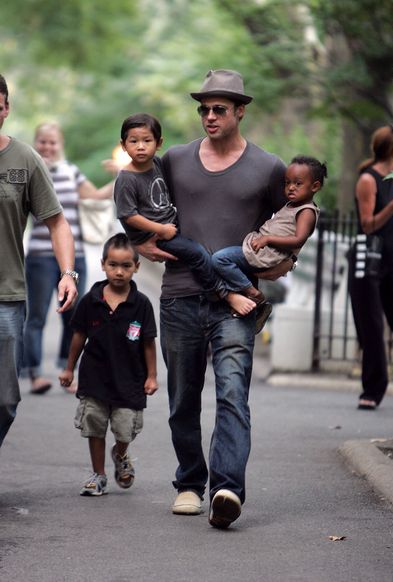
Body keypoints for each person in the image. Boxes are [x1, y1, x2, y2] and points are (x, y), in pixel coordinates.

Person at [135, 69, 292, 528]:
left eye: (219, 108)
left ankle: (227, 489)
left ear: (241, 110)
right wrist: (145, 247)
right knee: (183, 398)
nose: (209, 115)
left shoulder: (270, 167)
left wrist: (283, 264)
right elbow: (140, 216)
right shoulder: (175, 160)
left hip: (236, 303)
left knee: (232, 395)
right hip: (180, 296)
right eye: (203, 108)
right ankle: (189, 482)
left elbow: (289, 229)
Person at [0, 74, 78, 448]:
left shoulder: (25, 158)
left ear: (6, 109)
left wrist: (68, 272)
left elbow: (57, 221)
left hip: (7, 294)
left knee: (5, 400)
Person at [114, 112, 255, 317]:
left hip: (170, 226)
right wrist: (160, 229)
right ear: (124, 145)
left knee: (204, 247)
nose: (141, 146)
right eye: (133, 141)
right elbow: (128, 215)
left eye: (147, 140)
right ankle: (226, 293)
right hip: (154, 235)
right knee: (197, 254)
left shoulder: (157, 164)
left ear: (159, 142)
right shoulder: (127, 178)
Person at [59, 233, 158, 496]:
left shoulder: (142, 305)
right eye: (113, 265)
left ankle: (121, 453)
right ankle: (98, 474)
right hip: (95, 378)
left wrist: (152, 376)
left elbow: (149, 342)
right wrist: (69, 368)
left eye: (126, 266)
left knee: (125, 429)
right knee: (95, 424)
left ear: (137, 267)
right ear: (103, 264)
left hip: (130, 380)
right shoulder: (91, 301)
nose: (119, 272)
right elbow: (78, 335)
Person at [23, 122, 115, 395]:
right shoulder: (29, 171)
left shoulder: (71, 172)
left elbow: (96, 195)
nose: (47, 147)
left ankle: (67, 370)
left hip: (73, 261)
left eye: (52, 142)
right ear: (36, 142)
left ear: (60, 144)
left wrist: (123, 175)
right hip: (40, 258)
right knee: (36, 316)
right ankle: (36, 374)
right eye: (42, 141)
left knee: (73, 315)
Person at [212, 155, 324, 304]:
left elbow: (299, 239)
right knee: (223, 262)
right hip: (263, 250)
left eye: (298, 183)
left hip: (268, 254)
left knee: (220, 259)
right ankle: (238, 298)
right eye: (287, 183)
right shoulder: (292, 204)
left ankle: (251, 292)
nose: (291, 187)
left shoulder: (306, 211)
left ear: (315, 186)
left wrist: (267, 238)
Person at [348, 125, 393, 410]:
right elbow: (368, 225)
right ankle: (373, 389)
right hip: (369, 260)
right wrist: (392, 206)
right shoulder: (368, 179)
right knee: (372, 326)